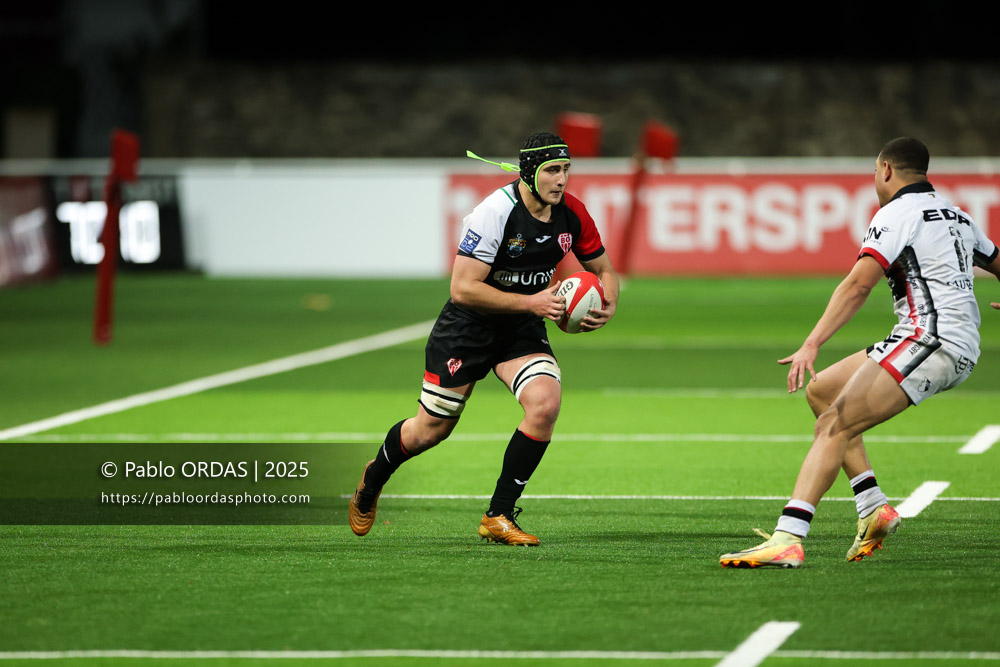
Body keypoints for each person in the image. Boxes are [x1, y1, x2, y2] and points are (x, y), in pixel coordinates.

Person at [720, 137, 1000, 568]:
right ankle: (873, 508)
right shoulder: (957, 213)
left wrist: (811, 342)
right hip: (938, 337)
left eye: (874, 171)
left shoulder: (896, 214)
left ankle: (788, 538)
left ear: (885, 169)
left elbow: (858, 285)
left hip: (931, 339)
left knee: (834, 425)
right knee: (823, 394)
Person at [348, 132, 619, 545]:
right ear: (529, 173)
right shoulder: (494, 213)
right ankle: (373, 479)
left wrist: (608, 302)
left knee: (544, 405)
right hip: (468, 327)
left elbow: (605, 270)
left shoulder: (572, 213)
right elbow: (462, 288)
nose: (561, 180)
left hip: (521, 329)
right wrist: (531, 302)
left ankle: (499, 515)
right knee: (430, 430)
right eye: (552, 170)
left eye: (566, 169)